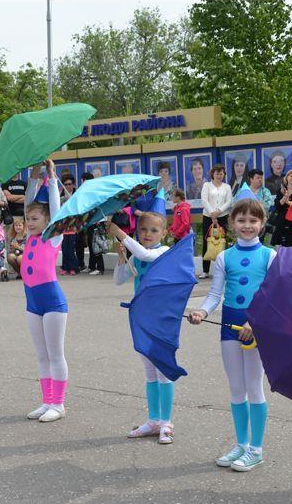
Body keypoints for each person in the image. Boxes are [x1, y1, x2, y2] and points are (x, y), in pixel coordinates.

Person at [188, 186, 275, 472]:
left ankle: (257, 449)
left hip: (258, 329)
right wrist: (202, 310)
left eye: (253, 220)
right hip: (228, 327)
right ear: (232, 223)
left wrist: (256, 322)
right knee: (236, 390)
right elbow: (215, 295)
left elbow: (275, 296)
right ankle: (241, 444)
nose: (247, 225)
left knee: (254, 388)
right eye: (241, 220)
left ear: (262, 223)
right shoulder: (224, 257)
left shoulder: (270, 256)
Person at [110, 190, 176, 444]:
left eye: (153, 231)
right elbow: (119, 281)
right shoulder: (137, 254)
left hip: (161, 320)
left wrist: (120, 234)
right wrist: (121, 257)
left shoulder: (164, 252)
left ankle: (167, 422)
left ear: (164, 234)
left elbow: (148, 255)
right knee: (149, 373)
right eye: (143, 230)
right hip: (141, 318)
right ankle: (153, 420)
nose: (147, 235)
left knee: (163, 372)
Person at [22, 160, 70, 423]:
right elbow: (30, 199)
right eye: (28, 218)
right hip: (32, 304)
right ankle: (47, 400)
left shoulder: (52, 236)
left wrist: (51, 178)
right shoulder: (29, 236)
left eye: (35, 218)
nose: (29, 222)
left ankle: (59, 404)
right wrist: (33, 175)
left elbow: (55, 208)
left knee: (55, 354)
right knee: (41, 355)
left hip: (52, 303)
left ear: (48, 220)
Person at [199, 164, 232, 279]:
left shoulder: (227, 187)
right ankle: (205, 270)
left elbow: (229, 201)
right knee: (207, 241)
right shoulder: (207, 185)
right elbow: (204, 200)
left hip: (223, 217)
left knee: (223, 241)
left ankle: (224, 269)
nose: (219, 175)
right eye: (217, 173)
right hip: (208, 216)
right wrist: (212, 214)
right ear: (212, 174)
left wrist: (219, 211)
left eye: (221, 173)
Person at [270, 168, 292, 248]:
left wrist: (290, 203)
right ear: (287, 178)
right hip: (282, 222)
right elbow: (278, 206)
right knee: (281, 249)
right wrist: (285, 196)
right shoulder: (281, 190)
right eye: (291, 176)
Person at [60, 174, 79, 275]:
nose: (67, 186)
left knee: (71, 248)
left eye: (69, 184)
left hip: (73, 224)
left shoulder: (77, 194)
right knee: (64, 248)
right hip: (63, 224)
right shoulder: (60, 195)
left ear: (73, 185)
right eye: (66, 184)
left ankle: (73, 268)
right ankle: (64, 267)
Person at [76, 172, 94, 271]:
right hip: (82, 221)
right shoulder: (81, 191)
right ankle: (81, 264)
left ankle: (93, 266)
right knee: (80, 243)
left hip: (91, 220)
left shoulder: (93, 191)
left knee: (92, 243)